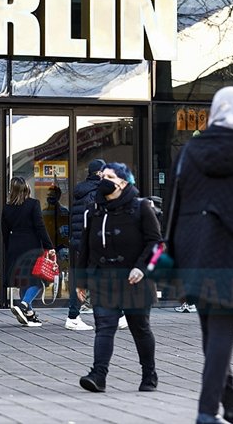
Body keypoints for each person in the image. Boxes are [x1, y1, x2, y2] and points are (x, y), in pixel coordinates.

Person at [168, 86, 233, 424]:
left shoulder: (190, 152)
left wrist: (173, 252)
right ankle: (206, 411)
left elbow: (174, 207)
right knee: (221, 335)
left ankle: (232, 402)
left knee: (211, 335)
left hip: (194, 251)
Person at [75, 162, 161, 393]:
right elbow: (85, 247)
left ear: (123, 183)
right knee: (104, 326)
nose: (104, 180)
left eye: (110, 176)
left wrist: (143, 268)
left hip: (135, 280)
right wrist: (81, 280)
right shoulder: (94, 210)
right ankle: (98, 375)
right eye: (102, 175)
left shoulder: (141, 208)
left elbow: (157, 245)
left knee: (140, 328)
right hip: (104, 279)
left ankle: (149, 374)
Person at [2, 177, 54, 328]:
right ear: (26, 188)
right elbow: (40, 227)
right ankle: (24, 305)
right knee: (39, 281)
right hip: (31, 246)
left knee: (24, 280)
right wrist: (49, 246)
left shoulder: (7, 208)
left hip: (14, 245)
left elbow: (4, 231)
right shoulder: (33, 204)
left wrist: (8, 248)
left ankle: (29, 315)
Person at [66, 159, 105, 331]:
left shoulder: (82, 191)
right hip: (89, 240)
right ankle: (73, 316)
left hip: (79, 239)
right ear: (99, 173)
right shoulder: (95, 192)